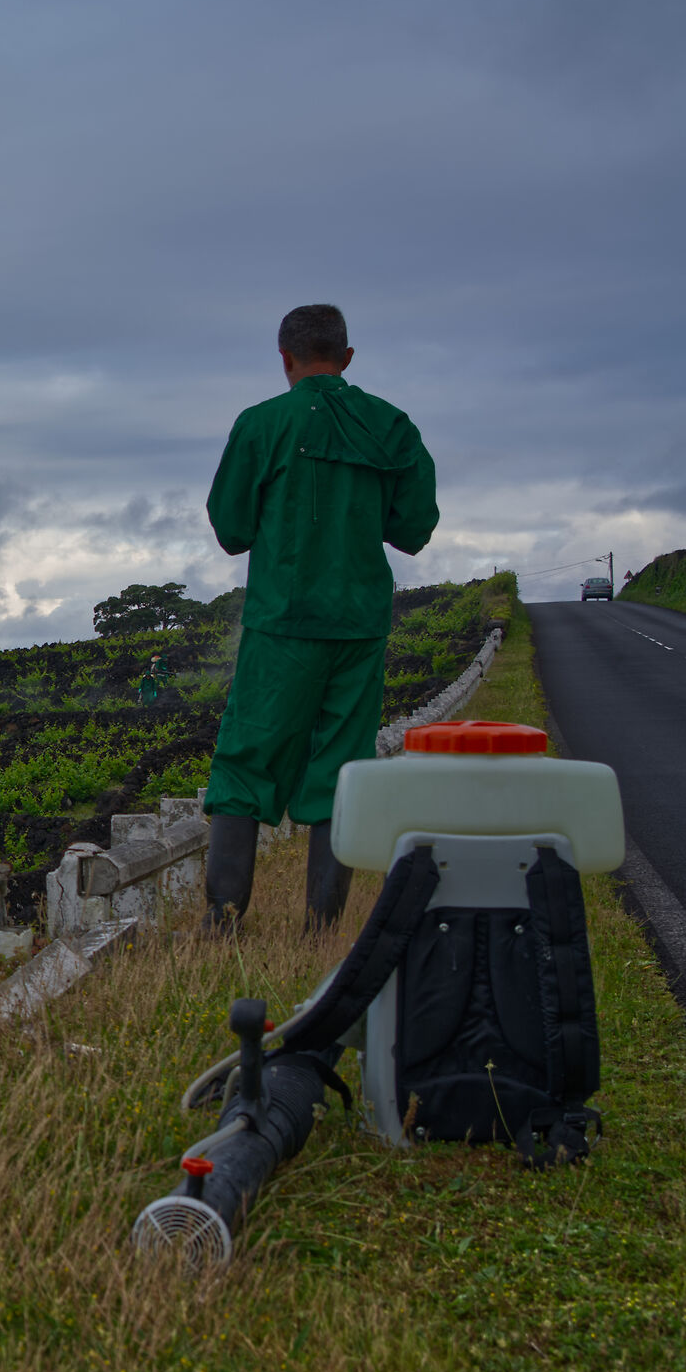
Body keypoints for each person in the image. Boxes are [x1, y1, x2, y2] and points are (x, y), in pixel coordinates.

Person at [202, 304, 439, 931]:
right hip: (359, 625)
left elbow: (230, 529)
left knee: (246, 760)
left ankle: (223, 920)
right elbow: (414, 528)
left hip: (281, 621)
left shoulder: (261, 425)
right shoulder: (392, 426)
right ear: (349, 357)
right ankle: (323, 927)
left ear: (284, 358)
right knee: (342, 763)